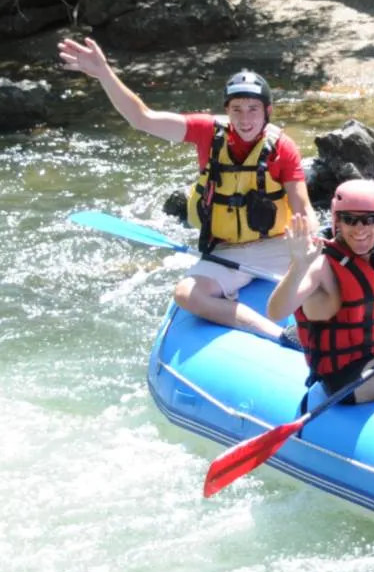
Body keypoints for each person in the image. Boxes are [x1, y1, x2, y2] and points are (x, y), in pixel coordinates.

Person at [57, 37, 316, 344]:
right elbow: (142, 119)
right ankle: (279, 335)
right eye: (237, 109)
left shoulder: (282, 148)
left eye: (253, 109)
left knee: (328, 271)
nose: (245, 118)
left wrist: (307, 245)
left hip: (276, 246)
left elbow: (302, 207)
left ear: (267, 111)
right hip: (227, 251)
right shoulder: (207, 132)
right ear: (227, 110)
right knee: (185, 294)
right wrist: (103, 72)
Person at [266, 179, 374, 403]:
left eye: (369, 220)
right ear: (337, 221)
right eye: (350, 219)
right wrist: (299, 265)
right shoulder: (321, 263)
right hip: (347, 377)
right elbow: (276, 312)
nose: (360, 229)